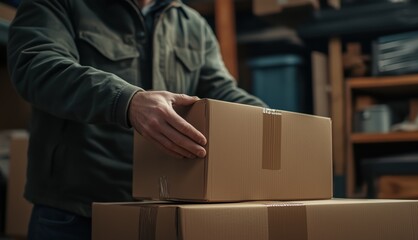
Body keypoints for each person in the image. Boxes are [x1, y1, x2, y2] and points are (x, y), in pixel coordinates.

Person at [7, 0, 266, 239]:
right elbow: (36, 64)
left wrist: (279, 125)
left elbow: (221, 91)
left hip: (160, 209)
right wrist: (128, 101)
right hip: (74, 213)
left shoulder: (191, 24)